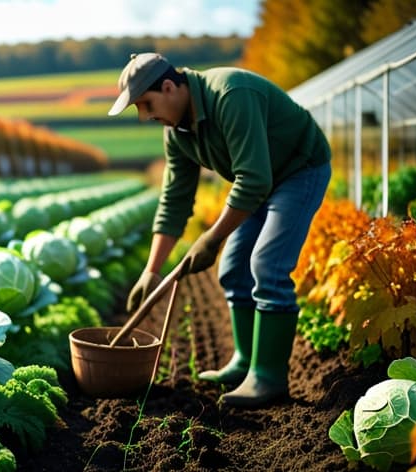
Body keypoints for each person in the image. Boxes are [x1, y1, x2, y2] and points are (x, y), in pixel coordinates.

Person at [112, 52, 331, 408]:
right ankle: (246, 362)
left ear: (169, 87)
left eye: (146, 104)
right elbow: (175, 201)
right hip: (262, 180)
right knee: (233, 268)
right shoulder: (177, 132)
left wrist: (211, 238)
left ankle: (268, 378)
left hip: (299, 170)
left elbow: (254, 179)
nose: (145, 116)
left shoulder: (230, 95)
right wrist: (151, 271)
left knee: (268, 265)